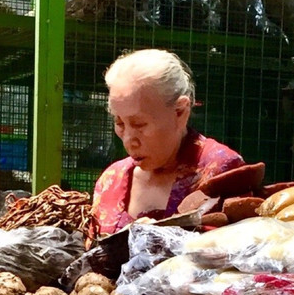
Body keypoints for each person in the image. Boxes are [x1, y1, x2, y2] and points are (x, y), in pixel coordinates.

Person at [92, 49, 245, 235]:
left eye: (139, 124)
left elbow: (241, 248)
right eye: (119, 123)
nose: (129, 140)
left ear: (180, 112)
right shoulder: (111, 179)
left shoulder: (221, 171)